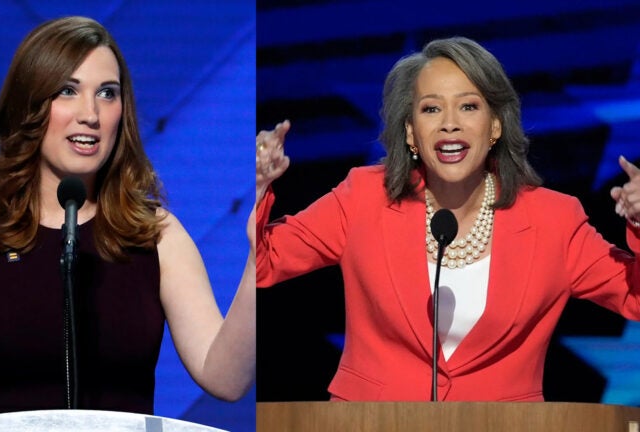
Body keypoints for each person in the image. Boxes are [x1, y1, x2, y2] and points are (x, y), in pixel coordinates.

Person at [0, 16, 255, 418]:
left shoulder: (154, 235)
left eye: (107, 93)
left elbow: (226, 378)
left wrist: (256, 259)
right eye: (68, 91)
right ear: (30, 103)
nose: (90, 113)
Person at [255, 36, 640, 401]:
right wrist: (256, 187)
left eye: (469, 106)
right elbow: (263, 263)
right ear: (410, 132)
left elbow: (634, 299)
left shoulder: (554, 219)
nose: (449, 122)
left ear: (495, 126)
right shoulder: (363, 199)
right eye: (431, 108)